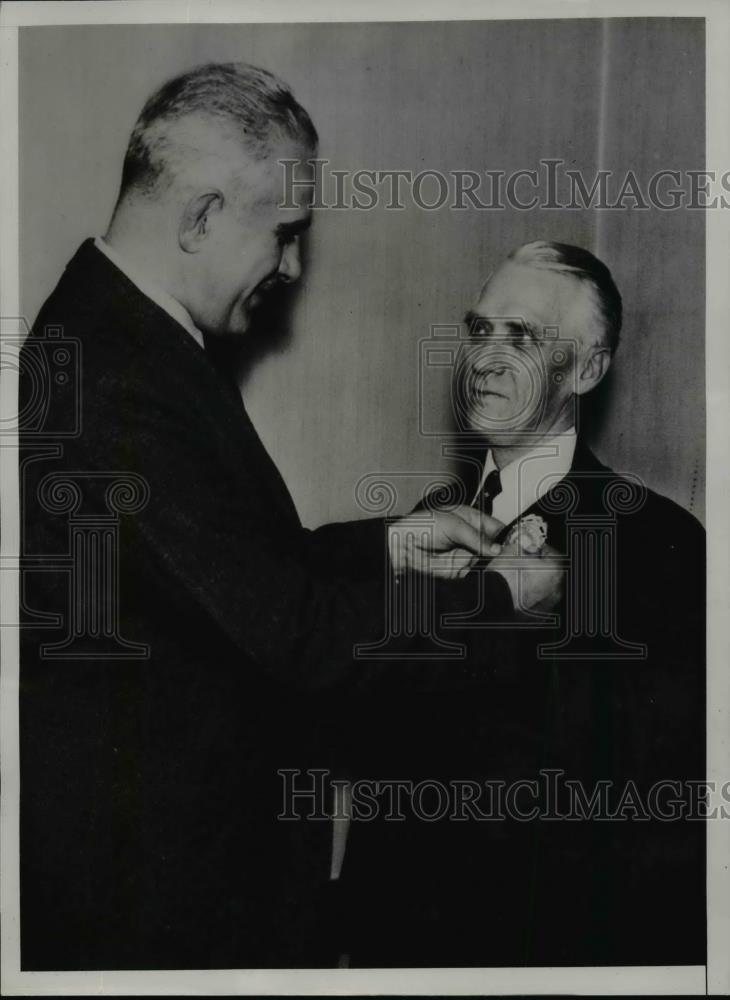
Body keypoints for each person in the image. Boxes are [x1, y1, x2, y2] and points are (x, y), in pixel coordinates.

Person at [17, 65, 560, 970]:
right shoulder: (109, 379)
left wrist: (386, 545)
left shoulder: (131, 340)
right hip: (158, 908)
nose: (294, 267)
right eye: (286, 234)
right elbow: (296, 637)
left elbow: (230, 571)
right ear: (199, 218)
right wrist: (499, 600)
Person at [339, 241, 705, 967]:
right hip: (398, 951)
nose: (486, 360)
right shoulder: (429, 518)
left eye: (525, 339)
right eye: (480, 332)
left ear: (589, 369)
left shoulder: (653, 542)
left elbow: (648, 815)